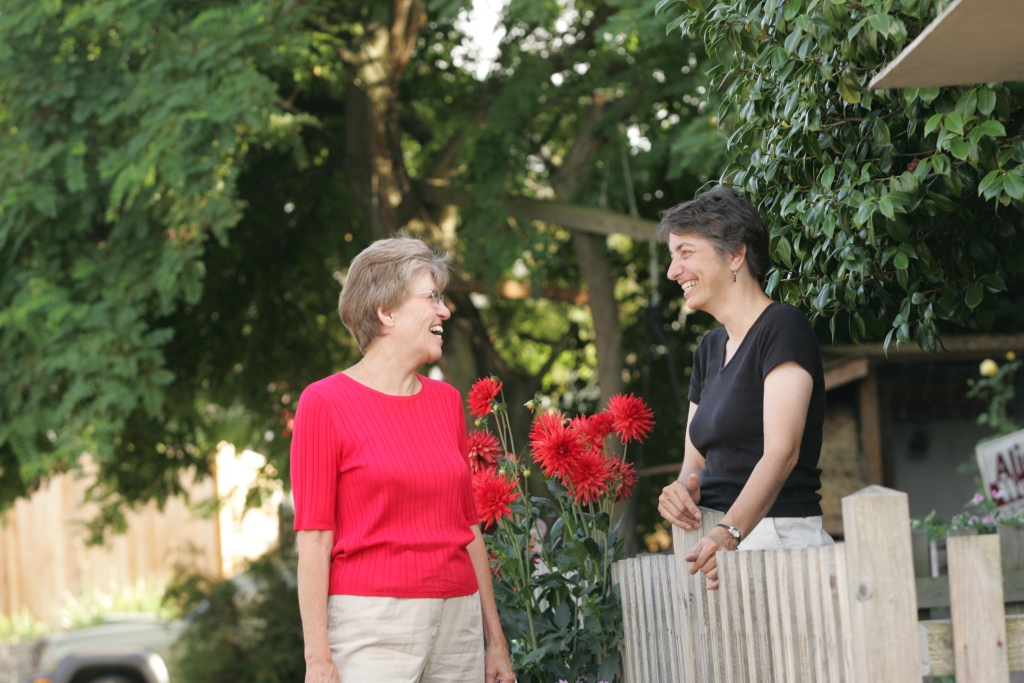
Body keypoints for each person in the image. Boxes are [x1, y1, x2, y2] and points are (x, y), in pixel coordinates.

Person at [290, 236, 515, 683]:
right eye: (431, 298)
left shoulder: (446, 401)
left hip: (459, 624)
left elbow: (468, 529)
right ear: (386, 312)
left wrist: (496, 643)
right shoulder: (324, 402)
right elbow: (314, 541)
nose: (444, 311)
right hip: (373, 627)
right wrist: (318, 661)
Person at [656, 188, 833, 590]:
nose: (673, 271)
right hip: (717, 550)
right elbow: (694, 464)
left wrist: (729, 533)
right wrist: (680, 492)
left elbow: (782, 453)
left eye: (685, 252)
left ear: (735, 255)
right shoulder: (708, 350)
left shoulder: (783, 327)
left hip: (776, 542)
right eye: (672, 256)